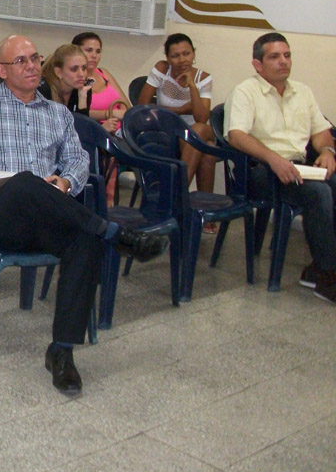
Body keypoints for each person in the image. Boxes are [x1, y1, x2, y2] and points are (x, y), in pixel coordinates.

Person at [0, 34, 169, 394]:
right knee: (21, 182)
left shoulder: (57, 113)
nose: (32, 66)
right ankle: (115, 233)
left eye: (35, 58)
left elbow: (78, 161)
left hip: (49, 214)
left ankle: (62, 351)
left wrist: (67, 183)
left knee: (84, 239)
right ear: (2, 70)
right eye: (20, 61)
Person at [225, 32, 336, 305]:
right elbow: (236, 135)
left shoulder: (303, 91)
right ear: (257, 64)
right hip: (261, 170)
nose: (283, 62)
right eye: (274, 57)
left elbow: (321, 132)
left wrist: (328, 151)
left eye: (287, 55)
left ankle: (316, 266)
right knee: (319, 194)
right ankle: (327, 276)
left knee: (329, 184)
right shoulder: (245, 91)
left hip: (299, 168)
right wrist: (274, 160)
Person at [136, 33, 216, 193]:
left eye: (187, 54)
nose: (182, 60)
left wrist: (192, 86)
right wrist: (179, 110)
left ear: (193, 53)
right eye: (175, 56)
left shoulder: (204, 78)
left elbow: (202, 117)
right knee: (208, 152)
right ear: (168, 57)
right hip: (166, 129)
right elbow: (142, 105)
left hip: (194, 129)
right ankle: (205, 212)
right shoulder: (162, 69)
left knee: (199, 129)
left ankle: (175, 195)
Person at [71, 31, 130, 129]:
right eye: (89, 50)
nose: (94, 56)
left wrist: (124, 115)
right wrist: (111, 113)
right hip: (97, 130)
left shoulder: (103, 73)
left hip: (122, 129)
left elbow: (125, 104)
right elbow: (75, 113)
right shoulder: (73, 78)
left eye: (98, 51)